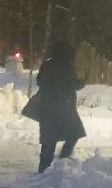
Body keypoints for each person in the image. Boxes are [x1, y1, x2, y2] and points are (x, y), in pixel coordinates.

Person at [26, 40, 86, 172]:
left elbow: (39, 81)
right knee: (75, 132)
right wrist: (83, 82)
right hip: (65, 107)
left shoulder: (47, 65)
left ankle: (44, 169)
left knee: (49, 140)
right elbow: (73, 85)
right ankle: (64, 157)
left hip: (47, 106)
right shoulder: (68, 67)